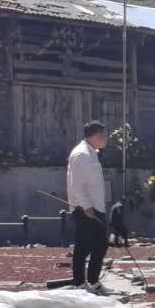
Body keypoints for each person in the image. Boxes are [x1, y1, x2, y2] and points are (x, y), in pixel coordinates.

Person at [67, 121, 111, 295]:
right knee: (83, 247)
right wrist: (86, 206)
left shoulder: (92, 153)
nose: (106, 139)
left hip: (96, 206)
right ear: (95, 136)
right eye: (104, 135)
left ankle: (93, 280)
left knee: (100, 245)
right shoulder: (81, 154)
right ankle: (79, 283)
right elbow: (76, 185)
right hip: (85, 208)